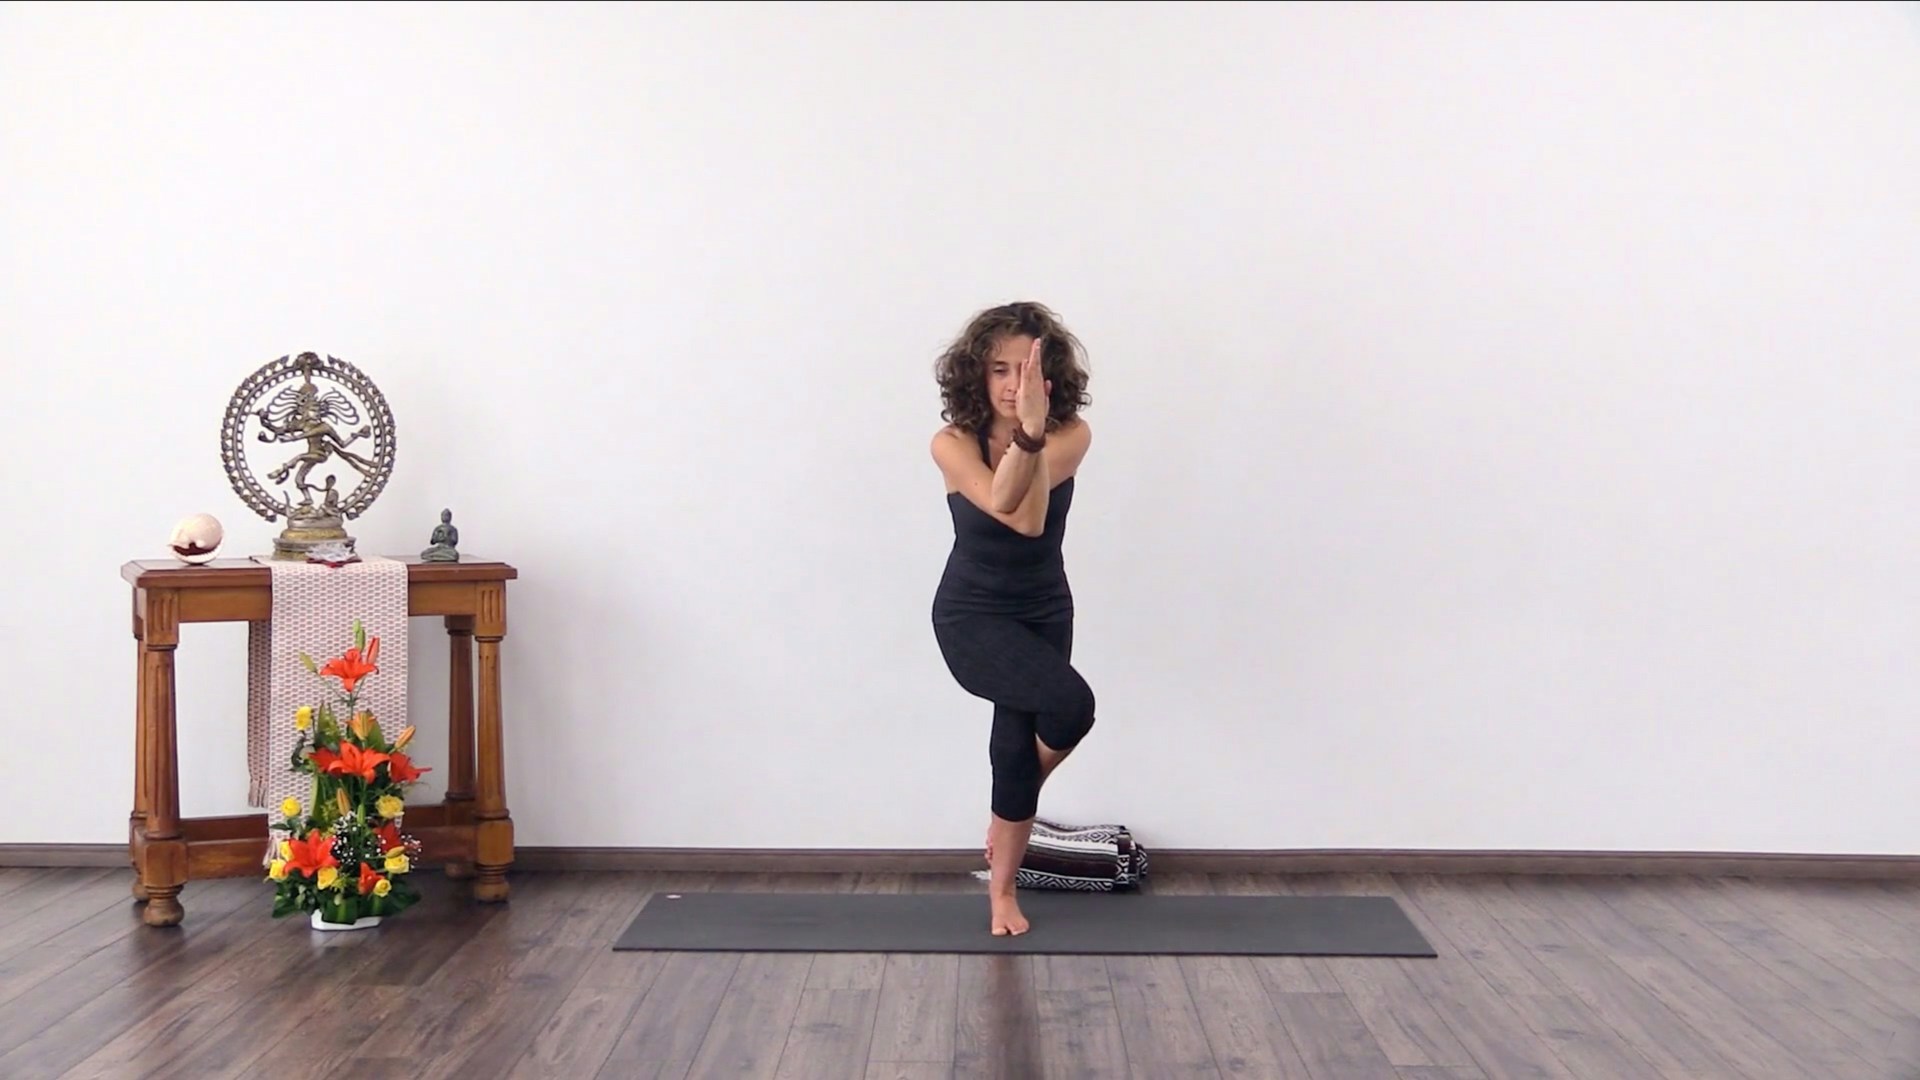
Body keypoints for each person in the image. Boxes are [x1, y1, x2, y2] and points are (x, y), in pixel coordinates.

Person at [928, 300, 1096, 936]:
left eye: (1024, 370)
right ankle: (1009, 837)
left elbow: (1029, 516)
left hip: (1045, 607)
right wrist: (1027, 433)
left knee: (1018, 746)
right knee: (1070, 704)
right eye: (999, 369)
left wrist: (1036, 432)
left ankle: (1002, 887)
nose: (1011, 384)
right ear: (976, 373)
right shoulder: (952, 444)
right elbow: (1015, 512)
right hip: (971, 615)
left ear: (1049, 377)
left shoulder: (1073, 435)